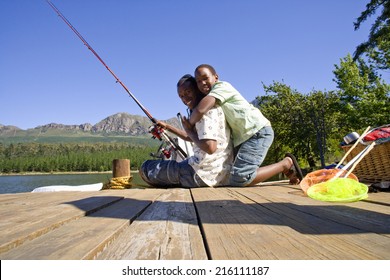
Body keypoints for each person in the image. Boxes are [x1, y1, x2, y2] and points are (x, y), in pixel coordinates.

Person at [182, 64, 303, 186]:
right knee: (234, 174)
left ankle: (285, 164)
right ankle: (291, 173)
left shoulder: (221, 87)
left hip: (257, 131)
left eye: (205, 78)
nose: (202, 83)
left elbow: (201, 109)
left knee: (240, 178)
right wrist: (170, 127)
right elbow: (190, 135)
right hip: (246, 137)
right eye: (198, 81)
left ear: (216, 77)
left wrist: (189, 125)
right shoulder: (214, 96)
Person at [139, 74, 234, 188]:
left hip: (200, 174)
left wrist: (190, 131)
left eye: (188, 92)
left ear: (197, 89)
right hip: (219, 175)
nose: (185, 99)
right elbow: (192, 137)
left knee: (146, 167)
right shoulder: (212, 107)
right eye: (181, 96)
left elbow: (210, 147)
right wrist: (167, 126)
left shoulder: (203, 112)